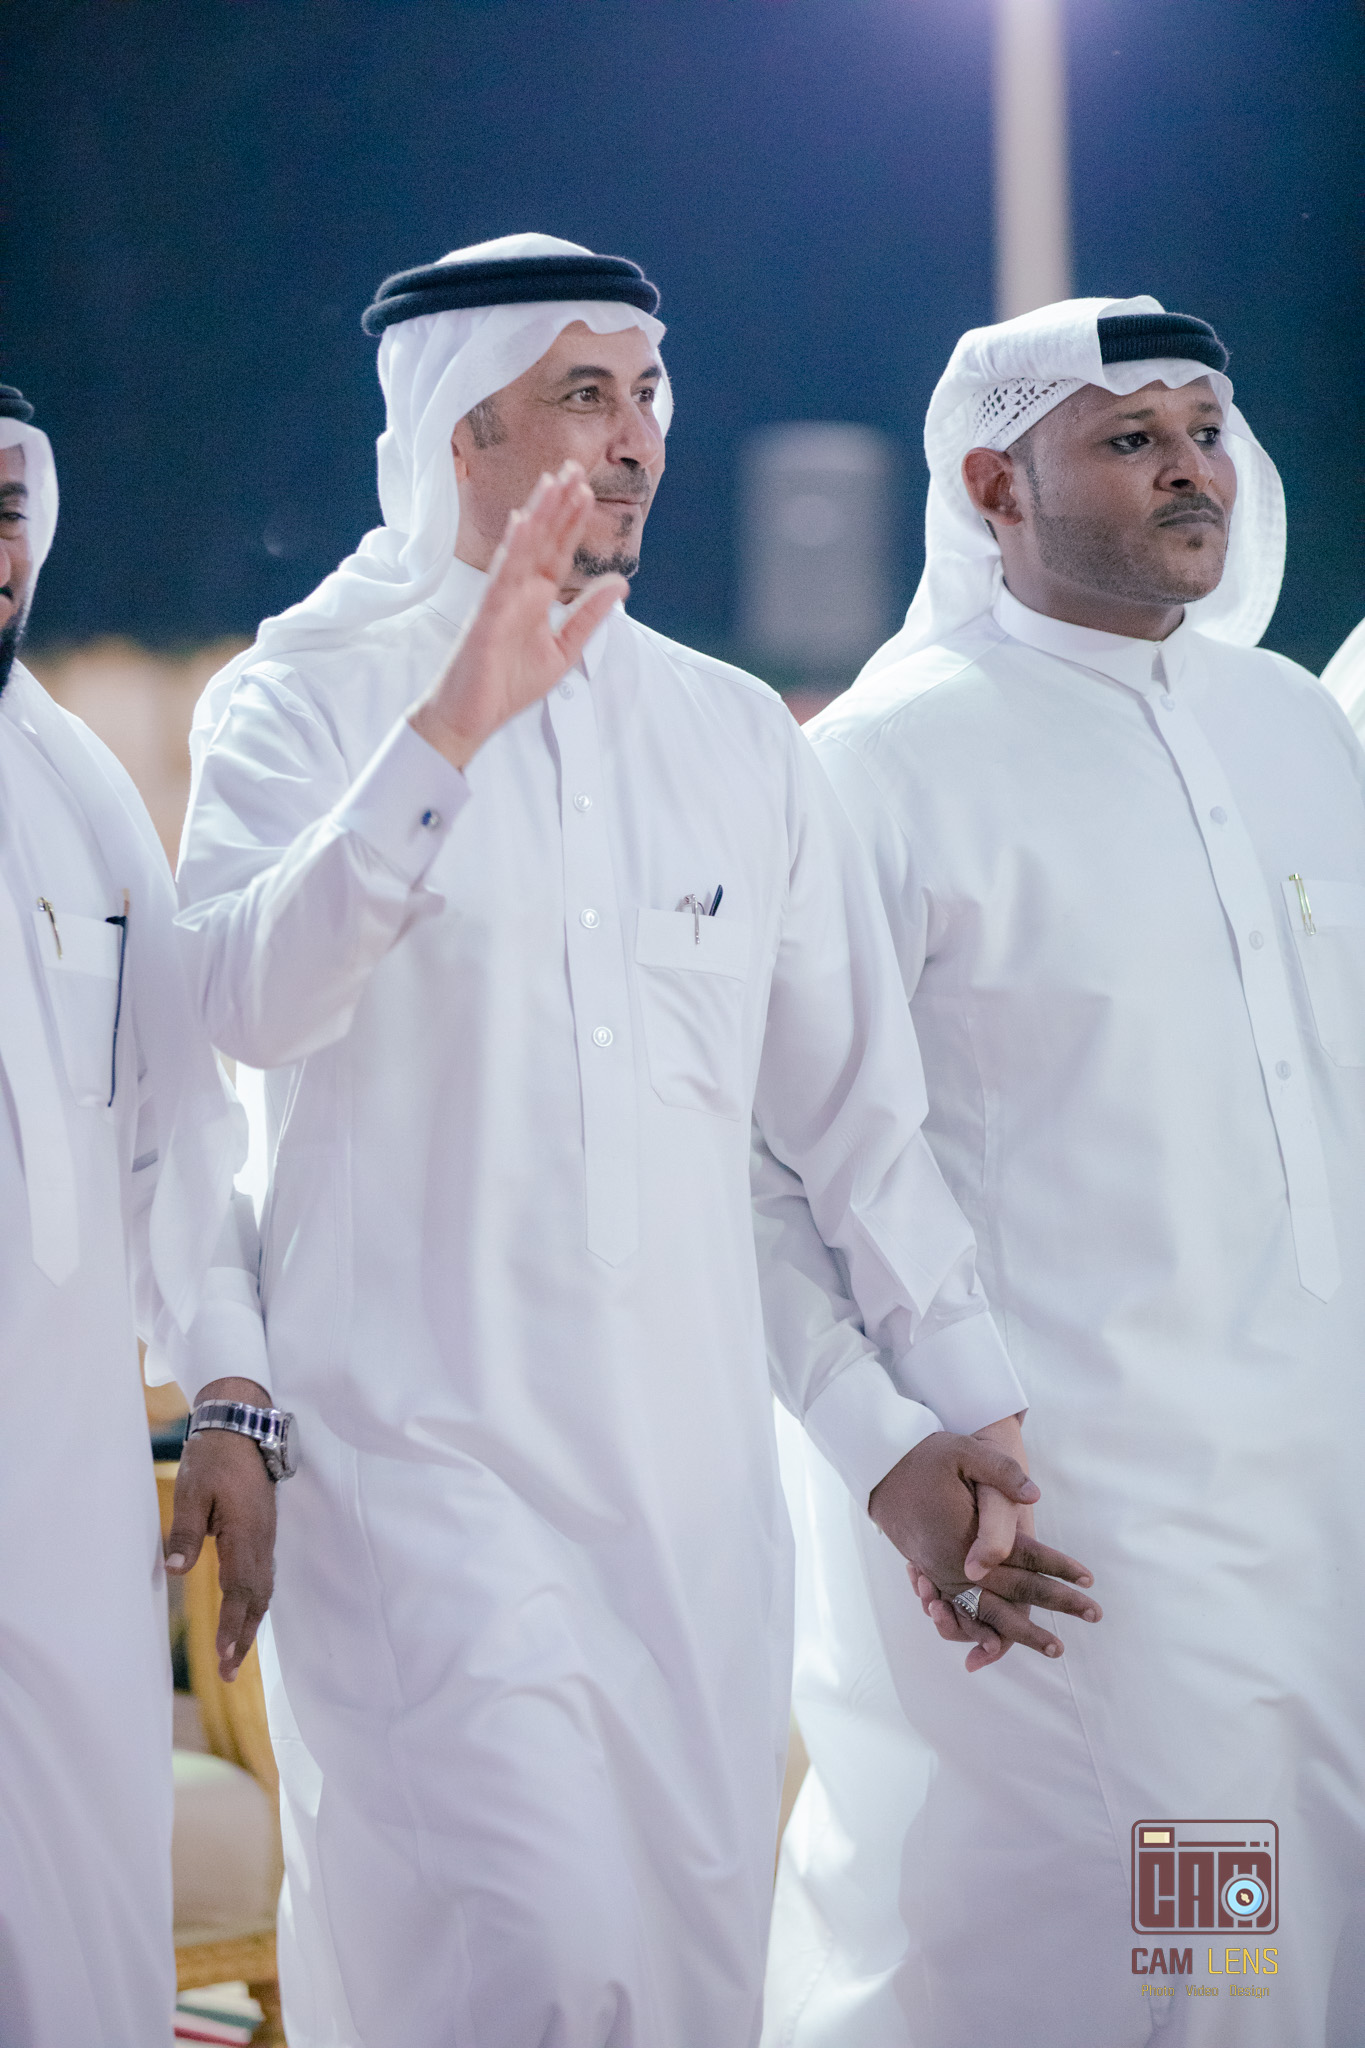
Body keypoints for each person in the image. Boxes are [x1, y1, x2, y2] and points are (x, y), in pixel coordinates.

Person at [174, 233, 1095, 2048]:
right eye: (582, 394)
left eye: (648, 392)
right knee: (525, 1968)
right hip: (419, 1480)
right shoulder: (302, 702)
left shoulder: (731, 732)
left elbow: (846, 1127)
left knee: (677, 1989)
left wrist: (955, 1414)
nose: (637, 436)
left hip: (689, 1507)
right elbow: (241, 1004)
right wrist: (451, 734)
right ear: (460, 433)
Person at [764, 296, 1365, 2048]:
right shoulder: (882, 765)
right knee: (1197, 1944)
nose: (1190, 470)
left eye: (1203, 431)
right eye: (1128, 438)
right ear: (990, 487)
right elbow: (763, 1159)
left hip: (1319, 1497)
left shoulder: (1291, 728)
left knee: (1309, 1947)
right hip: (1077, 1520)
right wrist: (884, 1446)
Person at [0, 386, 281, 2047]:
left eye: (7, 504)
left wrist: (230, 1391)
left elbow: (178, 1127)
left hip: (61, 1491)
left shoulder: (73, 780)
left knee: (79, 1932)